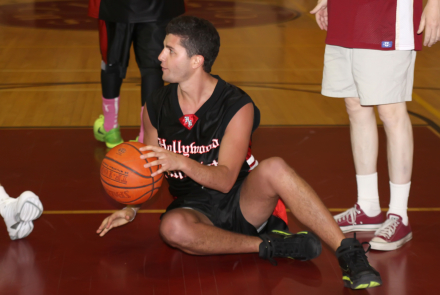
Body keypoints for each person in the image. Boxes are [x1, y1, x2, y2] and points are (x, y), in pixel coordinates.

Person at [97, 16, 382, 290]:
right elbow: (149, 166)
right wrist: (131, 206)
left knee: (275, 167)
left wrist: (179, 161)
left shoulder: (236, 104)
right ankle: (272, 245)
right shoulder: (156, 105)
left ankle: (349, 253)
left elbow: (224, 180)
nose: (160, 56)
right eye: (163, 49)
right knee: (172, 229)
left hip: (243, 199)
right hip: (194, 208)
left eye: (170, 51)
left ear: (196, 61)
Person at [311, 0, 440, 251]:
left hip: (388, 13)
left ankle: (399, 215)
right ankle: (368, 207)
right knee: (355, 104)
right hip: (346, 10)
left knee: (390, 110)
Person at [88, 0, 185, 147]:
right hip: (158, 6)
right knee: (154, 68)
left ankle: (110, 128)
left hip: (114, 7)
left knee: (111, 62)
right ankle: (146, 136)